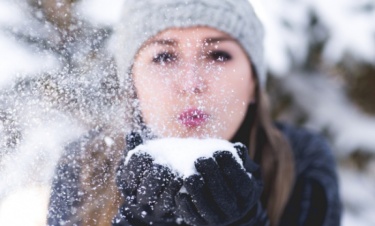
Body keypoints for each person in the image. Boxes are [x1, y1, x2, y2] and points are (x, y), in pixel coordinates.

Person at [47, 0, 342, 225]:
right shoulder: (86, 165)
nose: (191, 84)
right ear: (132, 82)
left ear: (253, 82)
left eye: (218, 55)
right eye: (164, 56)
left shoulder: (299, 161)